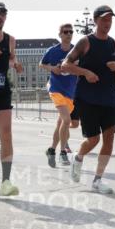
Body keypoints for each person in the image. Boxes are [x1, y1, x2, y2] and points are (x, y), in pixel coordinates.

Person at [62, 5, 115, 194]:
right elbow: (65, 65)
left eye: (110, 20)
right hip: (87, 98)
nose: (107, 23)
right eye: (104, 19)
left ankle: (98, 180)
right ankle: (78, 158)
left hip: (109, 99)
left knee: (109, 140)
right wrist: (86, 72)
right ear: (96, 20)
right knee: (93, 139)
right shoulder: (85, 42)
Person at [0, 1, 24, 197]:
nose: (0, 17)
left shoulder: (10, 39)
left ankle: (5, 182)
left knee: (6, 134)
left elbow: (11, 58)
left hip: (2, 91)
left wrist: (16, 64)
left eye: (3, 14)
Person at [41, 22, 80, 167]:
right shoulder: (53, 50)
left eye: (71, 32)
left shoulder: (76, 50)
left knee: (60, 124)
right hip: (56, 88)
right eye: (65, 32)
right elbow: (42, 64)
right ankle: (63, 153)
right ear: (60, 34)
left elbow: (81, 66)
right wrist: (52, 68)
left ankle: (51, 150)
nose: (68, 34)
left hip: (70, 91)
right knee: (66, 119)